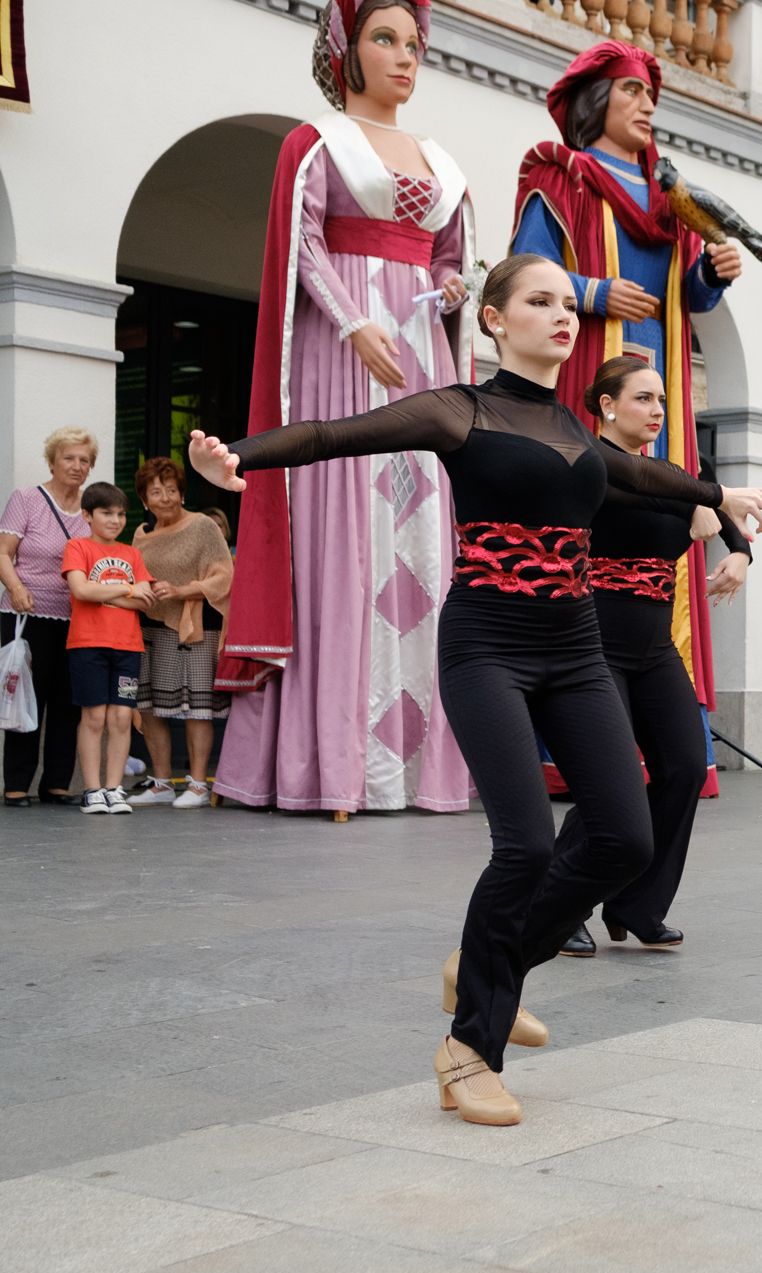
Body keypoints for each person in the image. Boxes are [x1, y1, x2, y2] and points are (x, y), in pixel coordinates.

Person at [188, 254, 762, 1126]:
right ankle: (469, 1049)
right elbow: (329, 435)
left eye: (565, 301)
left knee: (625, 833)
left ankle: (484, 960)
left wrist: (727, 499)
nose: (560, 313)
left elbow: (659, 480)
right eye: (538, 302)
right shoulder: (459, 409)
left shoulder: (582, 434)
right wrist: (236, 455)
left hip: (576, 649)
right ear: (495, 321)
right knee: (527, 846)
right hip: (487, 648)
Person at [214, 0, 474, 817]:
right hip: (342, 355)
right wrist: (353, 318)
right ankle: (336, 765)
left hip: (422, 360)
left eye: (413, 42)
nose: (405, 56)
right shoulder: (316, 143)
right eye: (385, 40)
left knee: (425, 544)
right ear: (346, 49)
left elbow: (454, 258)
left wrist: (457, 290)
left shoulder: (443, 160)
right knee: (345, 539)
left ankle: (420, 766)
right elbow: (304, 244)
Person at [515, 40, 745, 786]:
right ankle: (565, 742)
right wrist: (590, 293)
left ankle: (669, 736)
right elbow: (523, 271)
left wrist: (711, 270)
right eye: (632, 92)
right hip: (589, 375)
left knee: (662, 527)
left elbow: (689, 294)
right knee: (583, 519)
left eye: (652, 94)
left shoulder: (669, 198)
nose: (647, 106)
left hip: (662, 381)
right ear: (595, 102)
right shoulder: (557, 173)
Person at [553, 356, 755, 958]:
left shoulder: (674, 473)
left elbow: (721, 514)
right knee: (610, 779)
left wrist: (740, 554)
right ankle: (560, 903)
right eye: (643, 399)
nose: (658, 412)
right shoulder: (587, 465)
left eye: (662, 401)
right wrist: (695, 509)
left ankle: (638, 904)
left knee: (687, 766)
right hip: (592, 647)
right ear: (607, 405)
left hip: (653, 647)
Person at [129, 459, 235, 809]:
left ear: (181, 493)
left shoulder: (203, 526)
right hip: (149, 627)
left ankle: (199, 784)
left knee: (197, 708)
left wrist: (181, 590)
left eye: (171, 490)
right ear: (144, 499)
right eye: (156, 492)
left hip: (196, 627)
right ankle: (161, 783)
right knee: (150, 707)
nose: (165, 498)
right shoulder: (141, 535)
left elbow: (224, 576)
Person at [0, 427, 95, 806]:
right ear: (52, 461)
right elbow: (3, 553)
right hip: (27, 614)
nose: (77, 466)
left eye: (84, 460)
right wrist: (17, 589)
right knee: (28, 696)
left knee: (68, 701)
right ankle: (17, 785)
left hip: (78, 618)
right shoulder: (27, 499)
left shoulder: (91, 507)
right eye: (69, 458)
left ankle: (56, 783)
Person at [63, 484, 156, 815]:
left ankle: (114, 788)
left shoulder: (132, 554)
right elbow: (80, 589)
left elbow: (145, 596)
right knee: (94, 716)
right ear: (87, 515)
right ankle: (92, 790)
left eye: (120, 514)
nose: (115, 520)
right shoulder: (77, 547)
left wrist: (108, 590)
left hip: (128, 648)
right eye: (106, 513)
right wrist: (126, 591)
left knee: (120, 717)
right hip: (88, 645)